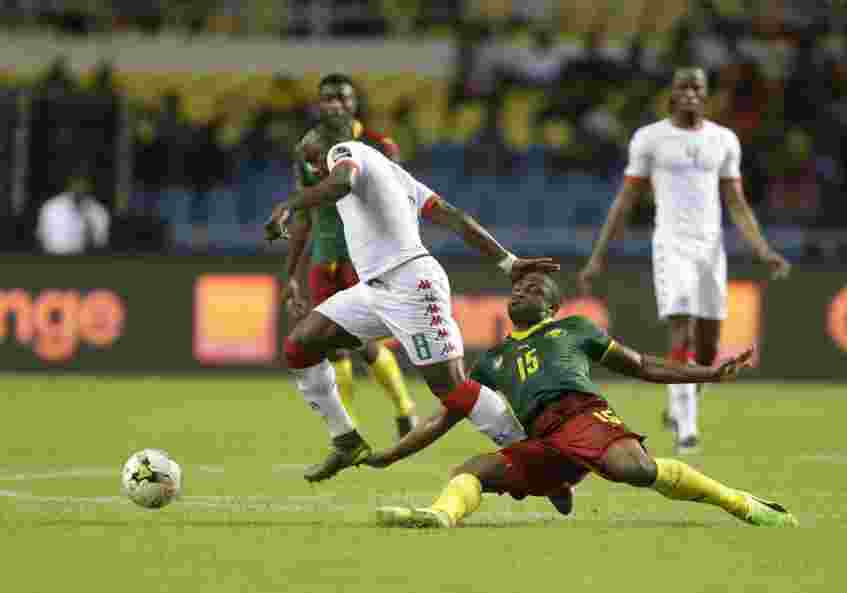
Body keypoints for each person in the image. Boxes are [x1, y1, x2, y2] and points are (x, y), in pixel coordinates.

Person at [368, 272, 798, 529]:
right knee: (474, 470)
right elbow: (443, 419)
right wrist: (389, 456)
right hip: (540, 438)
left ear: (553, 306)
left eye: (534, 288)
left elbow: (643, 365)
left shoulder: (575, 328)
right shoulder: (493, 359)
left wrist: (709, 373)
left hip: (582, 416)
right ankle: (441, 516)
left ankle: (742, 504)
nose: (520, 292)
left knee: (637, 469)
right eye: (518, 288)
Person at [265, 110, 560, 483]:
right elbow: (451, 215)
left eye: (311, 160)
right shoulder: (393, 172)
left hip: (410, 284)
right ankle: (345, 440)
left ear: (326, 146)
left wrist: (289, 205)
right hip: (373, 289)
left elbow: (340, 183)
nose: (312, 170)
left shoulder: (343, 151)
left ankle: (538, 458)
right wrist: (505, 260)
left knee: (453, 391)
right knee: (300, 345)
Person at [578, 66, 791, 454]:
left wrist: (763, 250)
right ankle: (687, 429)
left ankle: (682, 404)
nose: (690, 93)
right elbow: (625, 201)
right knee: (683, 334)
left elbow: (737, 204)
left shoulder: (724, 140)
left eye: (698, 87)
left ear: (706, 95)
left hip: (711, 248)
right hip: (671, 245)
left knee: (708, 349)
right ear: (672, 94)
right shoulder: (651, 139)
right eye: (683, 87)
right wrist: (598, 257)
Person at [283, 73, 419, 440]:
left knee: (367, 346)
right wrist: (291, 273)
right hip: (323, 258)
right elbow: (303, 216)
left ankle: (405, 409)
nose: (335, 105)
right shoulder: (308, 150)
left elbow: (399, 207)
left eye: (342, 98)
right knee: (333, 348)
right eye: (328, 99)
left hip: (366, 260)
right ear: (319, 104)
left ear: (355, 102)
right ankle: (349, 432)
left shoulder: (380, 146)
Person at [36, 174, 110, 255]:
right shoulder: (51, 206)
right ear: (70, 185)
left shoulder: (99, 212)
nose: (80, 188)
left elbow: (100, 243)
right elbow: (40, 236)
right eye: (76, 183)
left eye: (84, 184)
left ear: (90, 187)